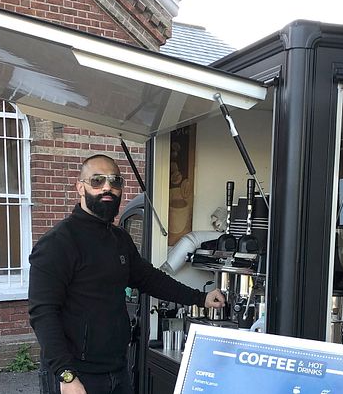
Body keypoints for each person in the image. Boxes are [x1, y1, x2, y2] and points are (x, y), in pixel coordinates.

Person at [29, 154, 225, 394]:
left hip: (117, 370)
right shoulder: (57, 243)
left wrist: (200, 298)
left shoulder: (119, 239)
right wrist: (66, 375)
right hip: (76, 375)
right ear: (80, 187)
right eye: (97, 181)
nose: (107, 187)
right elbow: (43, 313)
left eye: (115, 181)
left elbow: (150, 279)